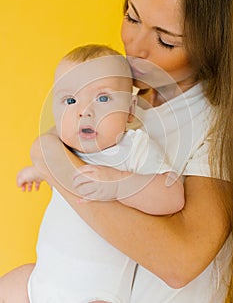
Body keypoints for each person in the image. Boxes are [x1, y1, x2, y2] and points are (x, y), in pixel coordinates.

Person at [0, 0, 233, 302]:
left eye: (166, 40)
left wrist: (60, 166)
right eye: (132, 17)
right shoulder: (122, 89)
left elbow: (179, 260)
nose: (135, 47)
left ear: (212, 46)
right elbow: (57, 133)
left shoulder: (216, 123)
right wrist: (46, 153)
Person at [0, 44, 184, 303]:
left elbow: (172, 195)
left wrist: (118, 184)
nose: (84, 111)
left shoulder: (134, 149)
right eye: (70, 100)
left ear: (131, 109)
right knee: (11, 283)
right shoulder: (65, 152)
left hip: (96, 295)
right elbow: (61, 177)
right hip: (41, 281)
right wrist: (41, 172)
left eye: (103, 98)